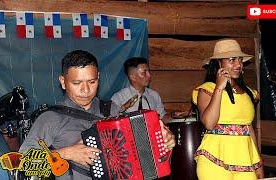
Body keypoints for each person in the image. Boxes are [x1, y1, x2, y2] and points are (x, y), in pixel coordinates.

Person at [19, 50, 175, 180]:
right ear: (62, 81)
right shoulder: (50, 118)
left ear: (98, 78)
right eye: (77, 83)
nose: (86, 90)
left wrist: (162, 140)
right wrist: (66, 153)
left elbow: (137, 148)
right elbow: (22, 162)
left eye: (92, 82)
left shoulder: (112, 110)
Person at [192, 39, 264, 179]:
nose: (238, 64)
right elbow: (209, 123)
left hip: (245, 160)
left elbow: (248, 128)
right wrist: (219, 87)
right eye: (231, 60)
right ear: (219, 63)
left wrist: (258, 163)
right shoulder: (207, 89)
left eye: (240, 60)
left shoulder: (249, 92)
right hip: (214, 159)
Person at [111, 57, 167, 122]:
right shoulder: (119, 97)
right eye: (144, 72)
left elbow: (162, 117)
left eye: (148, 71)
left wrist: (176, 116)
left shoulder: (154, 95)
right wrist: (123, 108)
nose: (149, 75)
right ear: (133, 77)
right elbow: (111, 121)